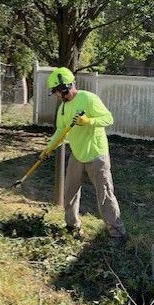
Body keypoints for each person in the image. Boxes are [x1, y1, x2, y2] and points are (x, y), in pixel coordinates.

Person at [44, 66, 127, 246]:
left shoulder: (88, 98)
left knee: (105, 195)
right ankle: (72, 226)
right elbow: (61, 130)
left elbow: (108, 118)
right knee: (70, 193)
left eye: (58, 91)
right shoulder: (63, 109)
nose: (57, 95)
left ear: (65, 87)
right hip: (77, 154)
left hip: (96, 155)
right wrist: (49, 148)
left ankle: (117, 233)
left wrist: (89, 121)